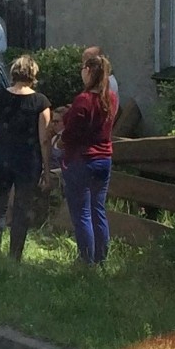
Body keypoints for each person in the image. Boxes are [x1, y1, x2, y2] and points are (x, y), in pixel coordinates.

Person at [0, 55, 51, 262]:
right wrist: (47, 169)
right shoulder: (41, 102)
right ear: (33, 75)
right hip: (28, 161)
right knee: (22, 208)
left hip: (1, 157)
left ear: (13, 74)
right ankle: (15, 256)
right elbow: (44, 139)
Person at [61, 54, 118, 265]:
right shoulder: (110, 98)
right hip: (104, 159)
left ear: (88, 71)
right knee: (98, 210)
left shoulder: (83, 100)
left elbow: (71, 132)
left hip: (82, 160)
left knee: (82, 213)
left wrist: (61, 141)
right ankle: (101, 258)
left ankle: (87, 261)